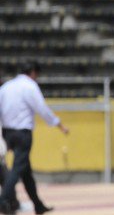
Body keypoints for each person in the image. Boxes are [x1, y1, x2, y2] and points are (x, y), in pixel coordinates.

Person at [0, 61, 69, 215]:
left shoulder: (6, 87)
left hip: (7, 132)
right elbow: (42, 108)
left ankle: (38, 205)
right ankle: (3, 200)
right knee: (18, 168)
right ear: (33, 72)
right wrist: (59, 125)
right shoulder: (30, 86)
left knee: (25, 171)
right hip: (22, 133)